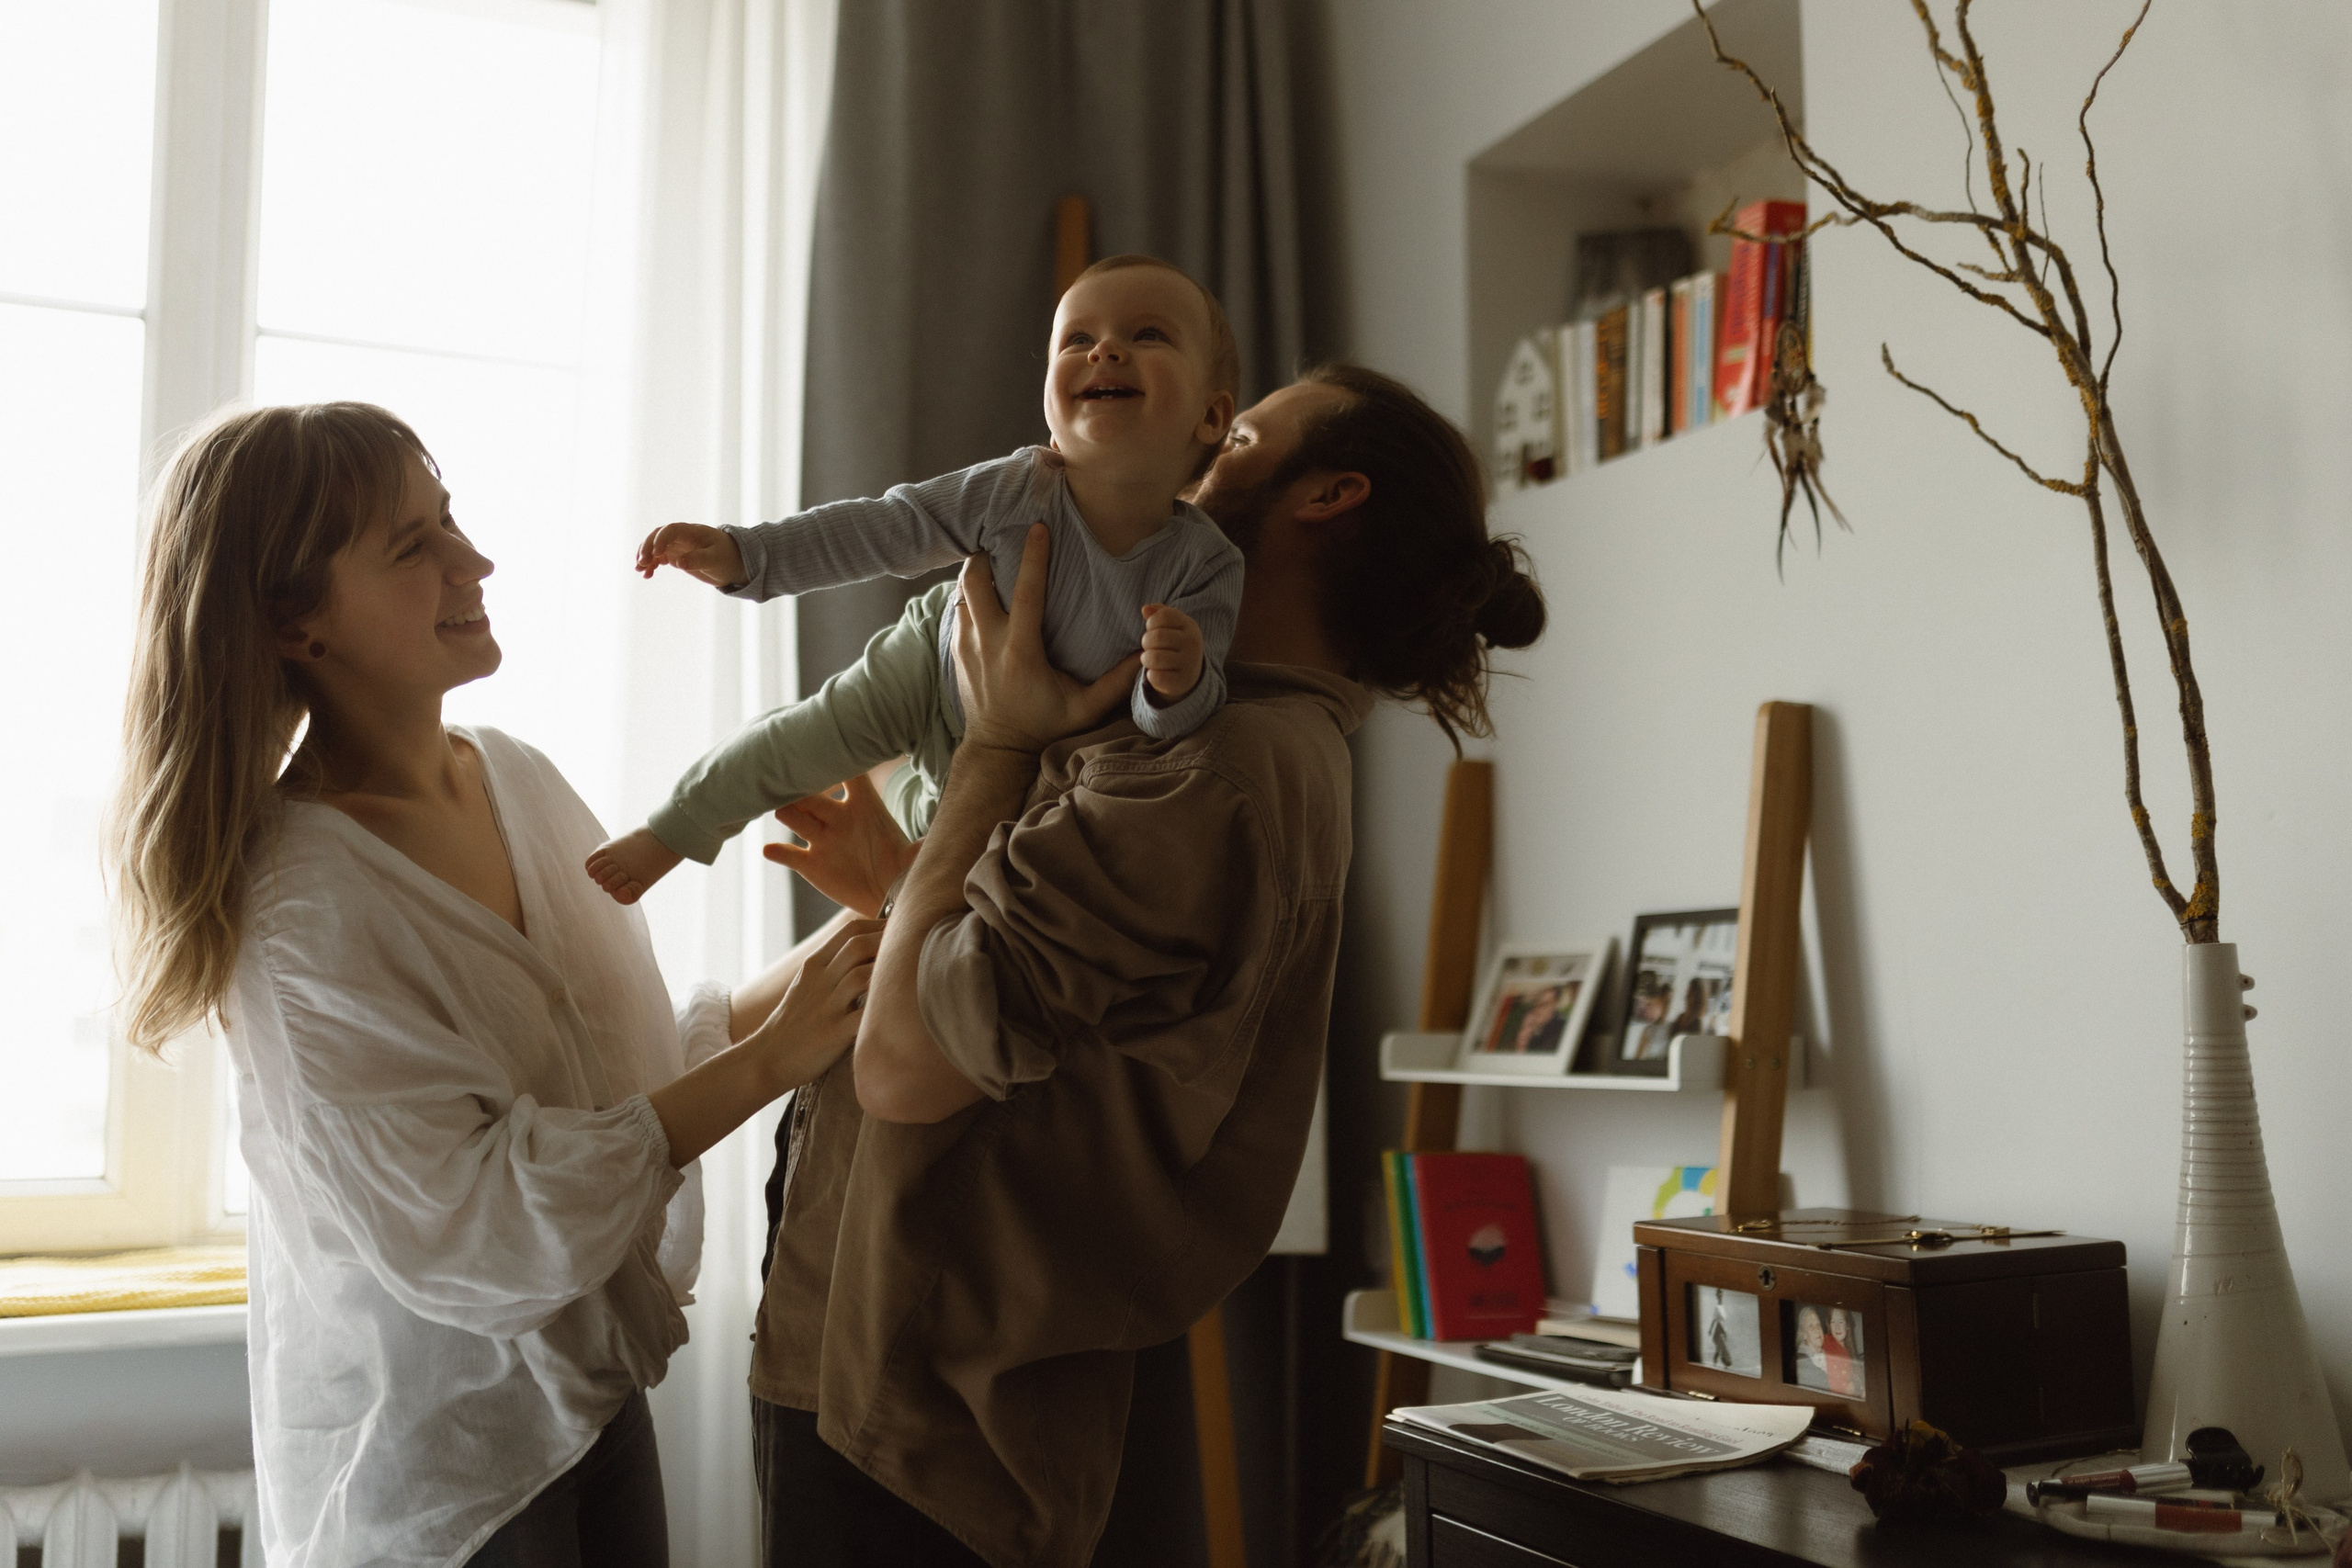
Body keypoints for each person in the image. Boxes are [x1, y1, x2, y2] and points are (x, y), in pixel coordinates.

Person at [747, 364, 1547, 1568]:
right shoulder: (1191, 725)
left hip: (915, 1416)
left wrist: (1003, 741)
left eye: (1241, 437)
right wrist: (906, 876)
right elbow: (1032, 1006)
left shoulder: (1210, 764)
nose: (1198, 443)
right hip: (880, 1360)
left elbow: (911, 1063)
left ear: (1327, 495)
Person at [106, 403, 881, 1568]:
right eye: (412, 546)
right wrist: (772, 1063)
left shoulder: (517, 775)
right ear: (293, 622)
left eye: (451, 519)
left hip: (594, 1411)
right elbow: (477, 1222)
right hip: (449, 1484)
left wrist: (865, 936)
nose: (473, 562)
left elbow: (623, 1081)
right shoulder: (301, 900)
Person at [582, 254, 1244, 904]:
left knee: (942, 837)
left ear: (1212, 417)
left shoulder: (1206, 563)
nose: (1104, 351)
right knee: (798, 742)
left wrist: (1174, 684)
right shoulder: (1016, 488)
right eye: (1077, 339)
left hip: (1020, 750)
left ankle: (898, 786)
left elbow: (1179, 720)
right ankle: (673, 828)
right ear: (1048, 399)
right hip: (930, 661)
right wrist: (746, 554)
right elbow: (884, 527)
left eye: (1147, 334)